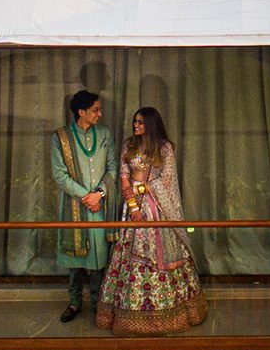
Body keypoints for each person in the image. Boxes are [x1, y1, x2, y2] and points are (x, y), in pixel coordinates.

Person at [97, 106, 207, 335]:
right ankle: (127, 311)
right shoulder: (129, 145)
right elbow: (124, 176)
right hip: (133, 207)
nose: (136, 126)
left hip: (157, 207)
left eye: (140, 122)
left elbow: (167, 180)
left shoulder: (164, 148)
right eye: (135, 122)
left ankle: (169, 312)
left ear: (151, 124)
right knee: (127, 252)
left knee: (160, 254)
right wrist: (133, 204)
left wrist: (146, 190)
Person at [50, 88, 113, 323]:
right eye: (96, 110)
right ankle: (75, 302)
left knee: (98, 256)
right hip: (75, 205)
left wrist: (100, 194)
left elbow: (113, 168)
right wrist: (86, 197)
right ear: (81, 111)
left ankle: (98, 302)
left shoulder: (105, 133)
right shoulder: (60, 137)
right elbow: (59, 175)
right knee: (75, 259)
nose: (100, 113)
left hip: (100, 206)